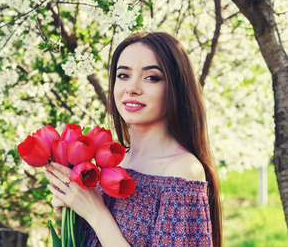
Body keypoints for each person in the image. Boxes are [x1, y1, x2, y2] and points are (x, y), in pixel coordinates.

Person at [45, 32, 222, 246]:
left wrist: (96, 213)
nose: (132, 88)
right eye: (123, 75)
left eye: (151, 77)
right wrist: (70, 212)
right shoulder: (110, 162)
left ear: (175, 87)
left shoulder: (182, 171)